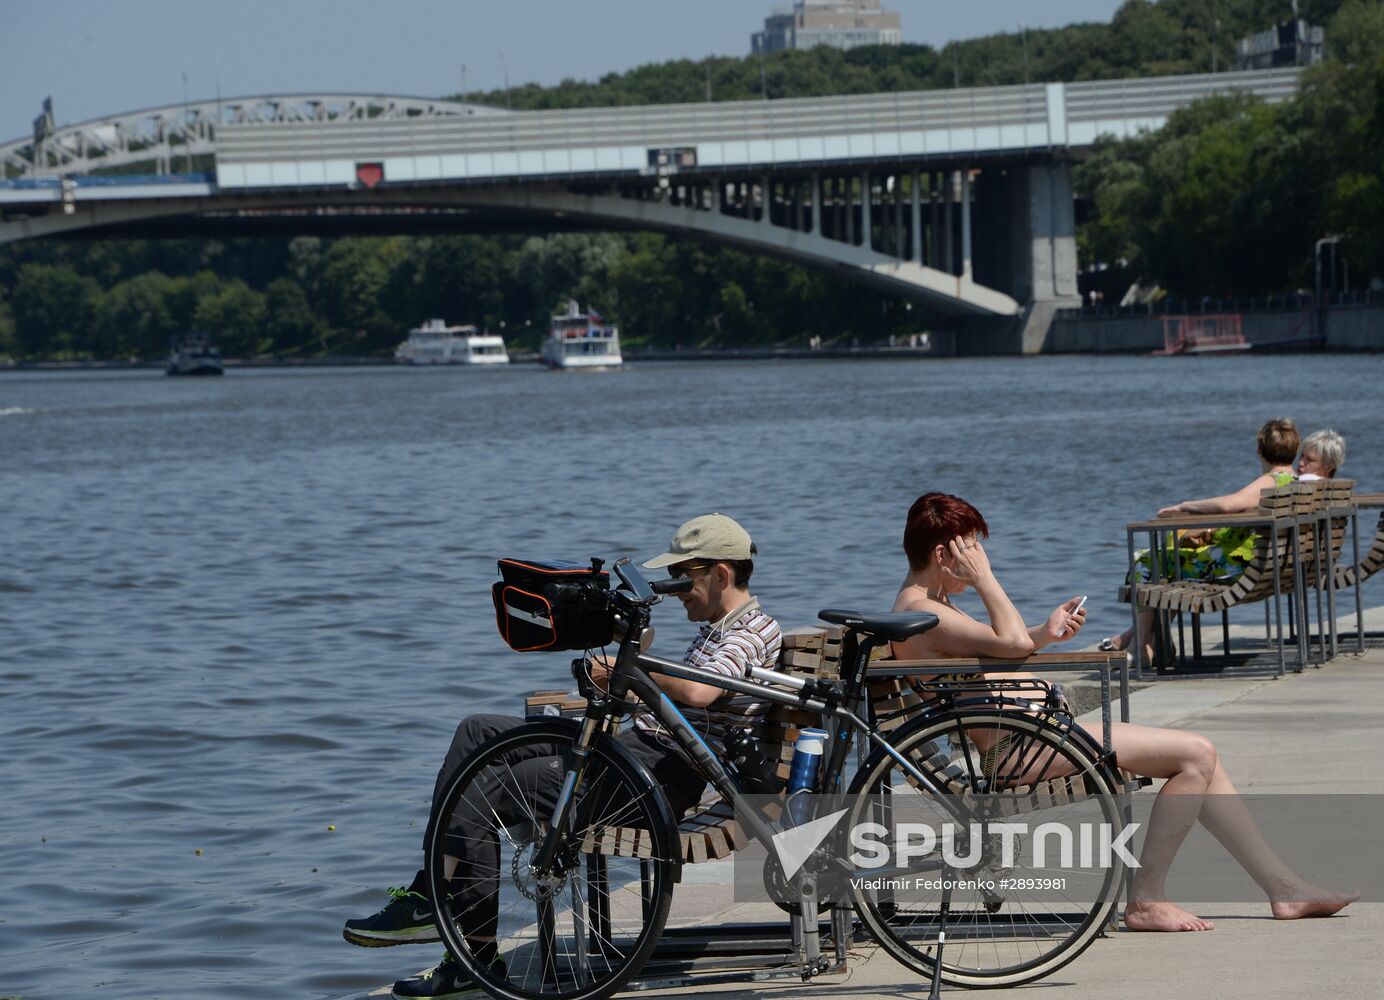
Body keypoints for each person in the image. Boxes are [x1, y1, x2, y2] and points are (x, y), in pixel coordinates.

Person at [342, 513, 782, 999]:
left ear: (722, 574)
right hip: (638, 753)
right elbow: (682, 705)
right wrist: (625, 683)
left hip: (657, 780)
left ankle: (467, 947)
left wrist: (633, 668)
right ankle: (432, 890)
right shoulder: (717, 629)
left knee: (486, 788)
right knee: (478, 731)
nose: (676, 590)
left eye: (684, 578)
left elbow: (698, 692)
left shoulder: (753, 631)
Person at [892, 491, 1357, 932]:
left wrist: (1046, 633)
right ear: (942, 555)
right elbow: (1009, 643)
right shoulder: (924, 613)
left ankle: (1282, 888)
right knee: (1195, 755)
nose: (978, 560)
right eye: (971, 551)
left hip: (1034, 737)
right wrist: (987, 579)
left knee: (1202, 758)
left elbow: (1005, 647)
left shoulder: (932, 607)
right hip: (1020, 749)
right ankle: (1147, 900)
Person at [1102, 418, 1301, 661]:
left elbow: (1230, 504)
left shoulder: (1272, 481)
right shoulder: (1294, 482)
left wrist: (1185, 506)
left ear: (1260, 450)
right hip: (1266, 568)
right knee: (1170, 561)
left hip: (1235, 571)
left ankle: (1141, 644)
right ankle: (1148, 640)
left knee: (1148, 562)